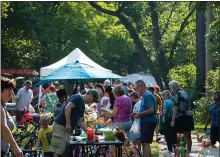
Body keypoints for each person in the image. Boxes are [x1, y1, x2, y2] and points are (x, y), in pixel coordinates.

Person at [49, 89, 99, 157]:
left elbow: (80, 122)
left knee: (64, 152)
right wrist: (68, 123)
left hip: (66, 129)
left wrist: (89, 132)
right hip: (60, 126)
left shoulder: (82, 105)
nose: (91, 102)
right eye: (93, 100)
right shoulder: (78, 98)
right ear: (91, 95)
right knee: (58, 151)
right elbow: (67, 108)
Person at [133, 80, 157, 157]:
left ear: (140, 86)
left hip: (148, 122)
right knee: (144, 143)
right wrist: (138, 114)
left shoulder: (147, 95)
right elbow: (146, 109)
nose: (135, 90)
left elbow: (151, 109)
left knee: (145, 143)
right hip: (146, 121)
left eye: (136, 88)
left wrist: (140, 114)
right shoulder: (144, 95)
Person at [169, 80, 194, 154]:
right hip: (188, 116)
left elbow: (175, 108)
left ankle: (180, 152)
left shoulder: (176, 95)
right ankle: (188, 152)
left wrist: (173, 120)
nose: (170, 89)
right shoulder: (184, 93)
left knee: (179, 136)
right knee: (188, 136)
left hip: (181, 117)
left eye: (170, 87)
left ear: (173, 87)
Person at [1, 77, 23, 157]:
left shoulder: (3, 106)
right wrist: (16, 147)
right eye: (9, 89)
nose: (12, 92)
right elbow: (4, 128)